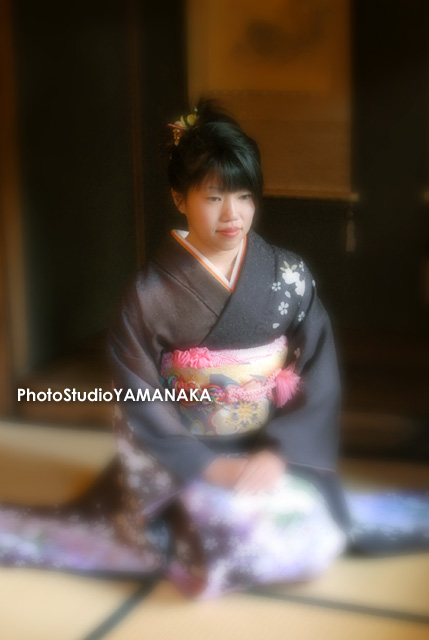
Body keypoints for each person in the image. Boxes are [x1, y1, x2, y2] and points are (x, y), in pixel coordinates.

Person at [1, 97, 427, 598]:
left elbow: (317, 367)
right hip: (188, 454)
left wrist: (281, 453)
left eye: (245, 196)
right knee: (230, 528)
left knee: (307, 524)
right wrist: (204, 465)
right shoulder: (149, 294)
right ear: (179, 198)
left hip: (271, 445)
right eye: (214, 197)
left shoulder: (288, 274)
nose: (233, 214)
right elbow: (138, 395)